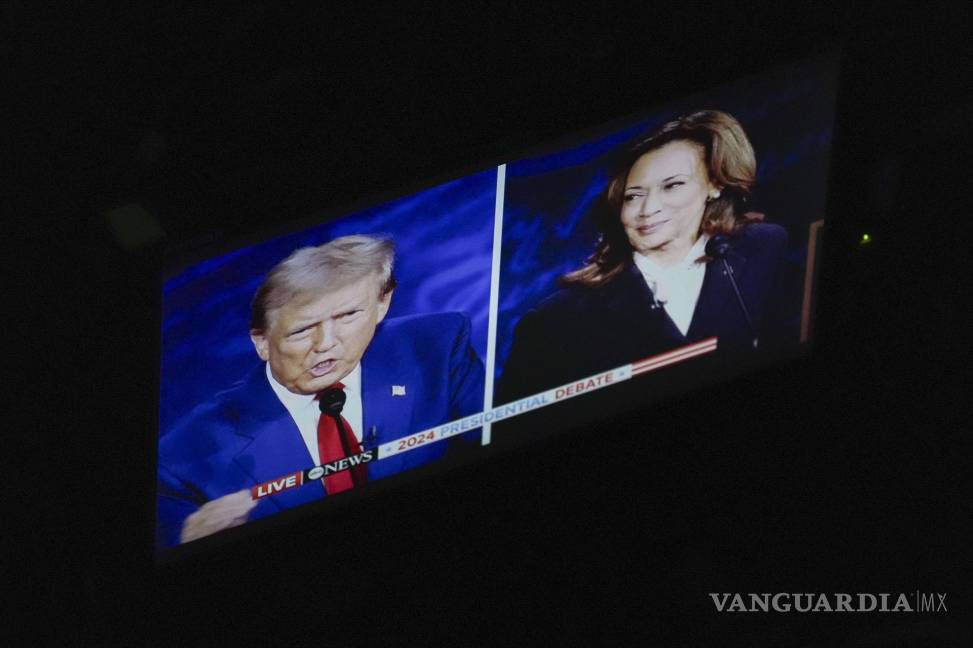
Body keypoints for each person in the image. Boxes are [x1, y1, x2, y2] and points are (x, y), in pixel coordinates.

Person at [157, 235, 484, 547]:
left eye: (348, 316)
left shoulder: (436, 348)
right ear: (261, 342)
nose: (326, 344)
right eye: (302, 330)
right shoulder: (185, 456)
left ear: (382, 304)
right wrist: (186, 538)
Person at [497, 110, 800, 403]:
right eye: (634, 196)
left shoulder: (763, 248)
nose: (648, 209)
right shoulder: (554, 322)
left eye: (672, 186)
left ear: (715, 184)